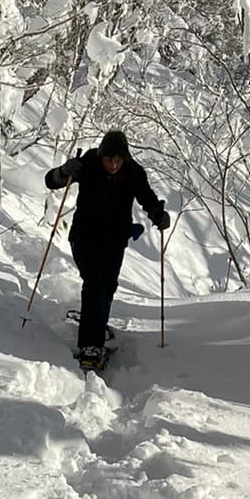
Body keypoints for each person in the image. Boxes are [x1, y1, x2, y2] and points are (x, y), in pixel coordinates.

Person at [45, 128, 168, 367]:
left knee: (108, 286)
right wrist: (63, 171)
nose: (113, 164)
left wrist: (158, 215)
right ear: (101, 155)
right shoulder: (88, 163)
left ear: (125, 158)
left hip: (114, 241)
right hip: (84, 237)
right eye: (108, 159)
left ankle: (97, 326)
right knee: (95, 284)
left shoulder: (133, 172)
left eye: (118, 160)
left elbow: (147, 199)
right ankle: (90, 345)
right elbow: (51, 181)